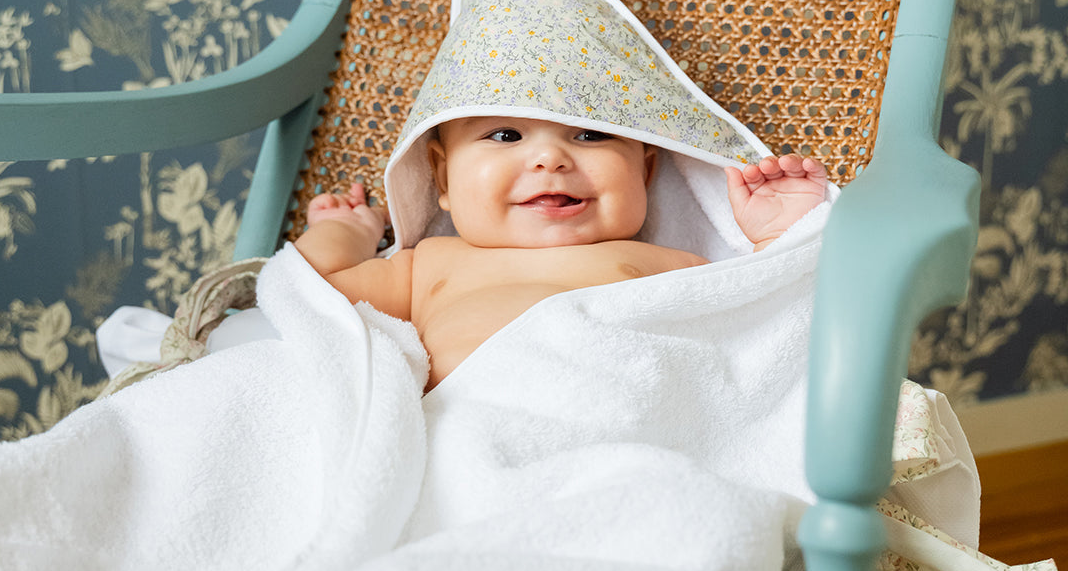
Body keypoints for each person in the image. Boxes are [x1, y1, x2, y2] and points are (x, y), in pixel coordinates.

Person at [296, 115, 829, 390]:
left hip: (613, 421)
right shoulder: (428, 264)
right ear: (442, 177)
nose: (550, 158)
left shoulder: (668, 263)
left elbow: (763, 322)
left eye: (590, 135)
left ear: (645, 171)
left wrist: (780, 235)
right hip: (464, 423)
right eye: (506, 135)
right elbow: (314, 295)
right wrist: (347, 230)